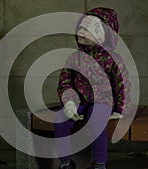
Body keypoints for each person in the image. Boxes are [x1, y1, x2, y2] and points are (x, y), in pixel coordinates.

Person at [55, 7, 130, 169]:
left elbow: (121, 85)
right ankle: (65, 162)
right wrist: (69, 102)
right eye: (80, 28)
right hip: (79, 100)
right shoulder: (74, 58)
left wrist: (120, 109)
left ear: (102, 36)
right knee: (60, 119)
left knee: (97, 121)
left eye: (87, 30)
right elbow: (65, 82)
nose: (81, 32)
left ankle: (100, 163)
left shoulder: (112, 60)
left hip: (102, 102)